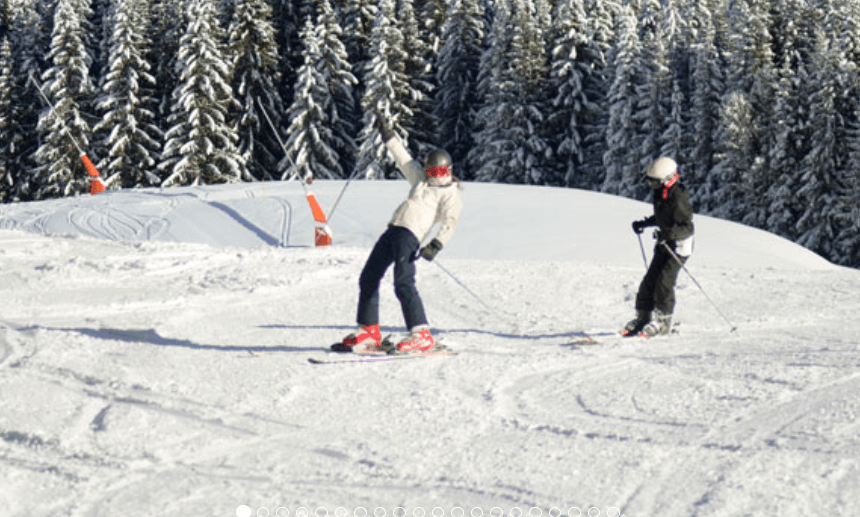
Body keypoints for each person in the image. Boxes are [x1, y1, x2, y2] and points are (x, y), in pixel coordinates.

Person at [335, 120, 463, 354]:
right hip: (393, 230)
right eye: (433, 172)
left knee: (403, 283)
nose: (438, 177)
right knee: (368, 276)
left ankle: (421, 335)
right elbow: (404, 160)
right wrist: (388, 136)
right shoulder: (420, 181)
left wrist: (436, 244)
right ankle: (369, 330)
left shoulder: (450, 193)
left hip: (410, 236)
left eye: (442, 172)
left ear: (450, 171)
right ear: (427, 171)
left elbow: (450, 222)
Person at [622, 157, 695, 338]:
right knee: (650, 280)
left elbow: (687, 227)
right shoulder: (661, 193)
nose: (651, 185)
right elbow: (663, 217)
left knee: (664, 282)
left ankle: (663, 322)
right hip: (664, 243)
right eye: (650, 181)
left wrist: (668, 234)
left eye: (654, 182)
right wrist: (644, 223)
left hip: (679, 247)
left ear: (667, 180)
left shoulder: (678, 198)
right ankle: (643, 317)